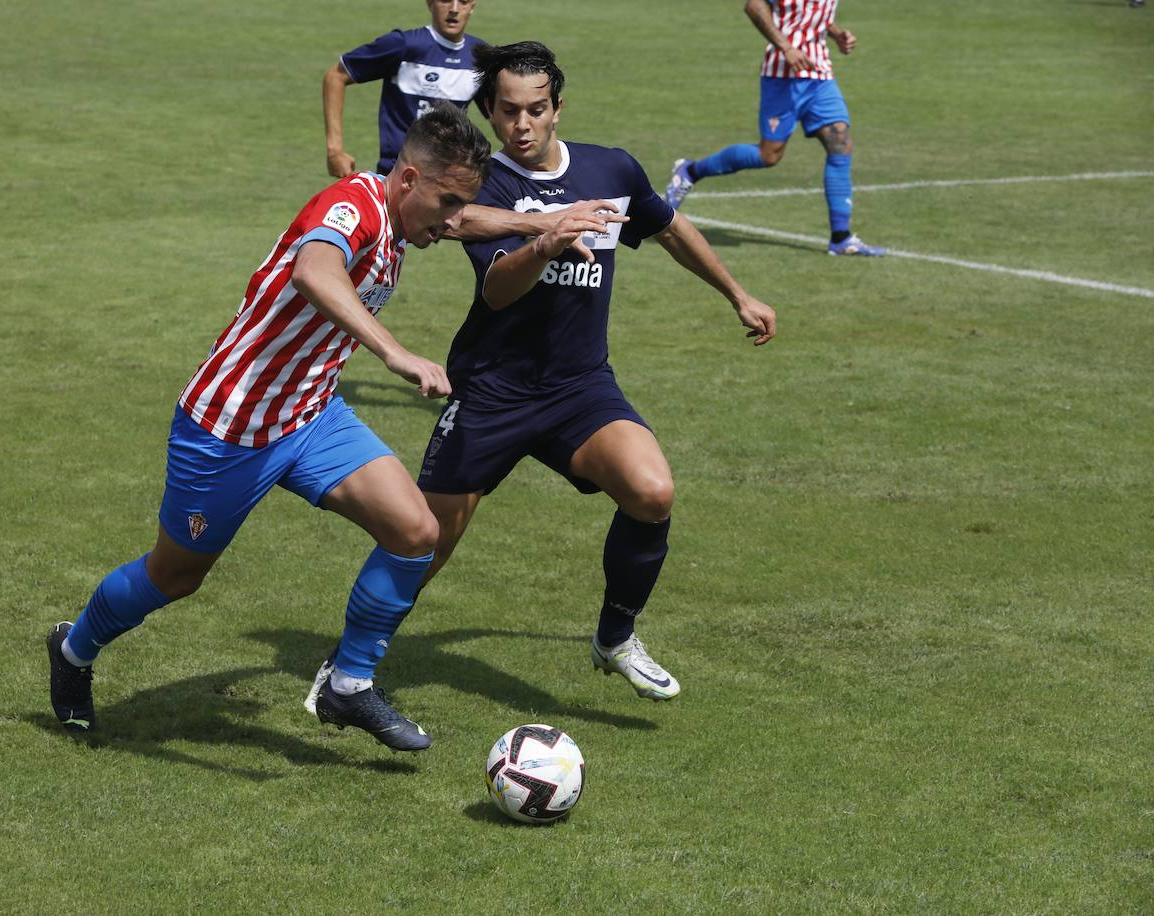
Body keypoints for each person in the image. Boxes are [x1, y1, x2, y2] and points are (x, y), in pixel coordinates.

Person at [307, 41, 776, 709]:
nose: (520, 125)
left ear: (557, 107)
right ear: (490, 113)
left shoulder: (609, 168)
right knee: (426, 541)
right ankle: (346, 667)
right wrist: (545, 240)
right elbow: (498, 289)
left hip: (579, 389)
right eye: (505, 112)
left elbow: (667, 226)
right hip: (492, 392)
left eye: (534, 110)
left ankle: (615, 638)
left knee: (652, 491)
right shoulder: (478, 186)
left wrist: (738, 293)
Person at [46, 104, 492, 753]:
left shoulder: (409, 217)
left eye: (462, 208)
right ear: (407, 179)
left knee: (416, 530)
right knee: (176, 576)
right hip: (228, 426)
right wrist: (392, 352)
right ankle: (74, 647)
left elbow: (475, 219)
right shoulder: (355, 207)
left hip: (309, 413)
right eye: (446, 203)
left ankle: (349, 682)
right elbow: (314, 271)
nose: (453, 223)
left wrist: (553, 223)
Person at [666, 0, 885, 257]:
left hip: (819, 74)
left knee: (840, 143)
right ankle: (691, 171)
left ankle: (841, 238)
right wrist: (787, 47)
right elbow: (755, 5)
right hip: (783, 76)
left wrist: (835, 32)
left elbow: (810, 11)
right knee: (768, 155)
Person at [323, 0, 485, 179]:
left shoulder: (480, 57)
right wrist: (335, 151)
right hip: (397, 178)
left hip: (448, 181)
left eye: (463, 1)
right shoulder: (402, 45)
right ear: (430, 3)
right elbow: (335, 77)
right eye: (445, 0)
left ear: (473, 6)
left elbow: (503, 112)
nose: (454, 9)